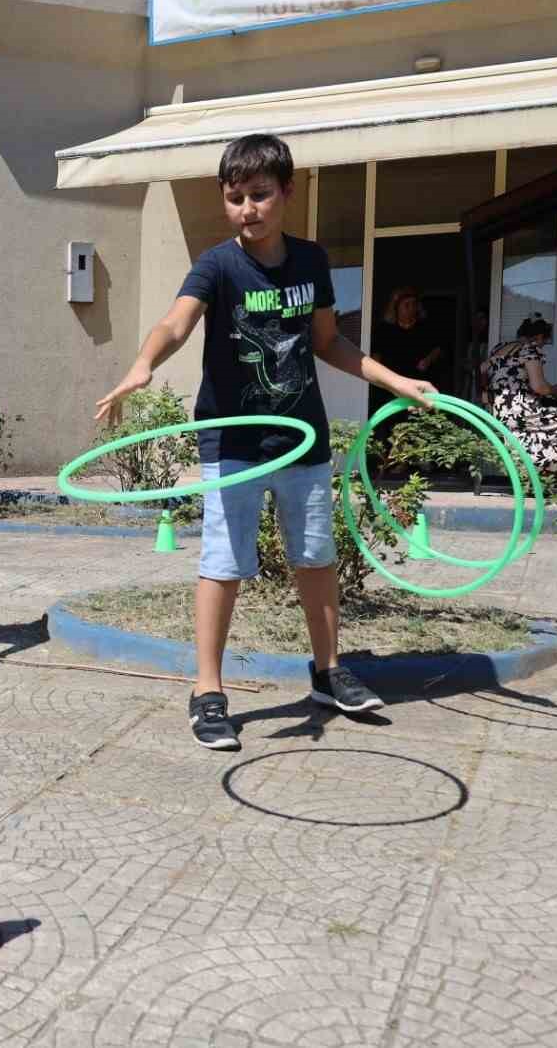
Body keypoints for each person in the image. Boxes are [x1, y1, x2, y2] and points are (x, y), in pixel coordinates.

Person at [94, 134, 436, 752]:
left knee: (315, 559)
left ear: (286, 193)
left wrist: (395, 380)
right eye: (234, 198)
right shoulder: (218, 264)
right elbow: (177, 320)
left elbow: (330, 343)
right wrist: (143, 362)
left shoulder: (311, 261)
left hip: (300, 437)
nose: (247, 208)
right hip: (233, 441)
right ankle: (207, 692)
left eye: (259, 195)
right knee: (223, 564)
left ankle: (328, 672)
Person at [480, 314, 557, 487]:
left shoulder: (498, 349)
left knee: (554, 418)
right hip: (522, 413)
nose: (542, 346)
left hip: (498, 413)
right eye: (544, 341)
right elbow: (539, 387)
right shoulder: (529, 349)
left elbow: (484, 371)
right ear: (538, 337)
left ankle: (554, 472)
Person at [372, 287, 447, 390]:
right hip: (391, 386)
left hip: (418, 384)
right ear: (397, 308)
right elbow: (376, 356)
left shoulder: (426, 328)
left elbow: (438, 348)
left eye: (414, 304)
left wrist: (428, 360)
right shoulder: (385, 330)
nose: (411, 309)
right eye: (407, 305)